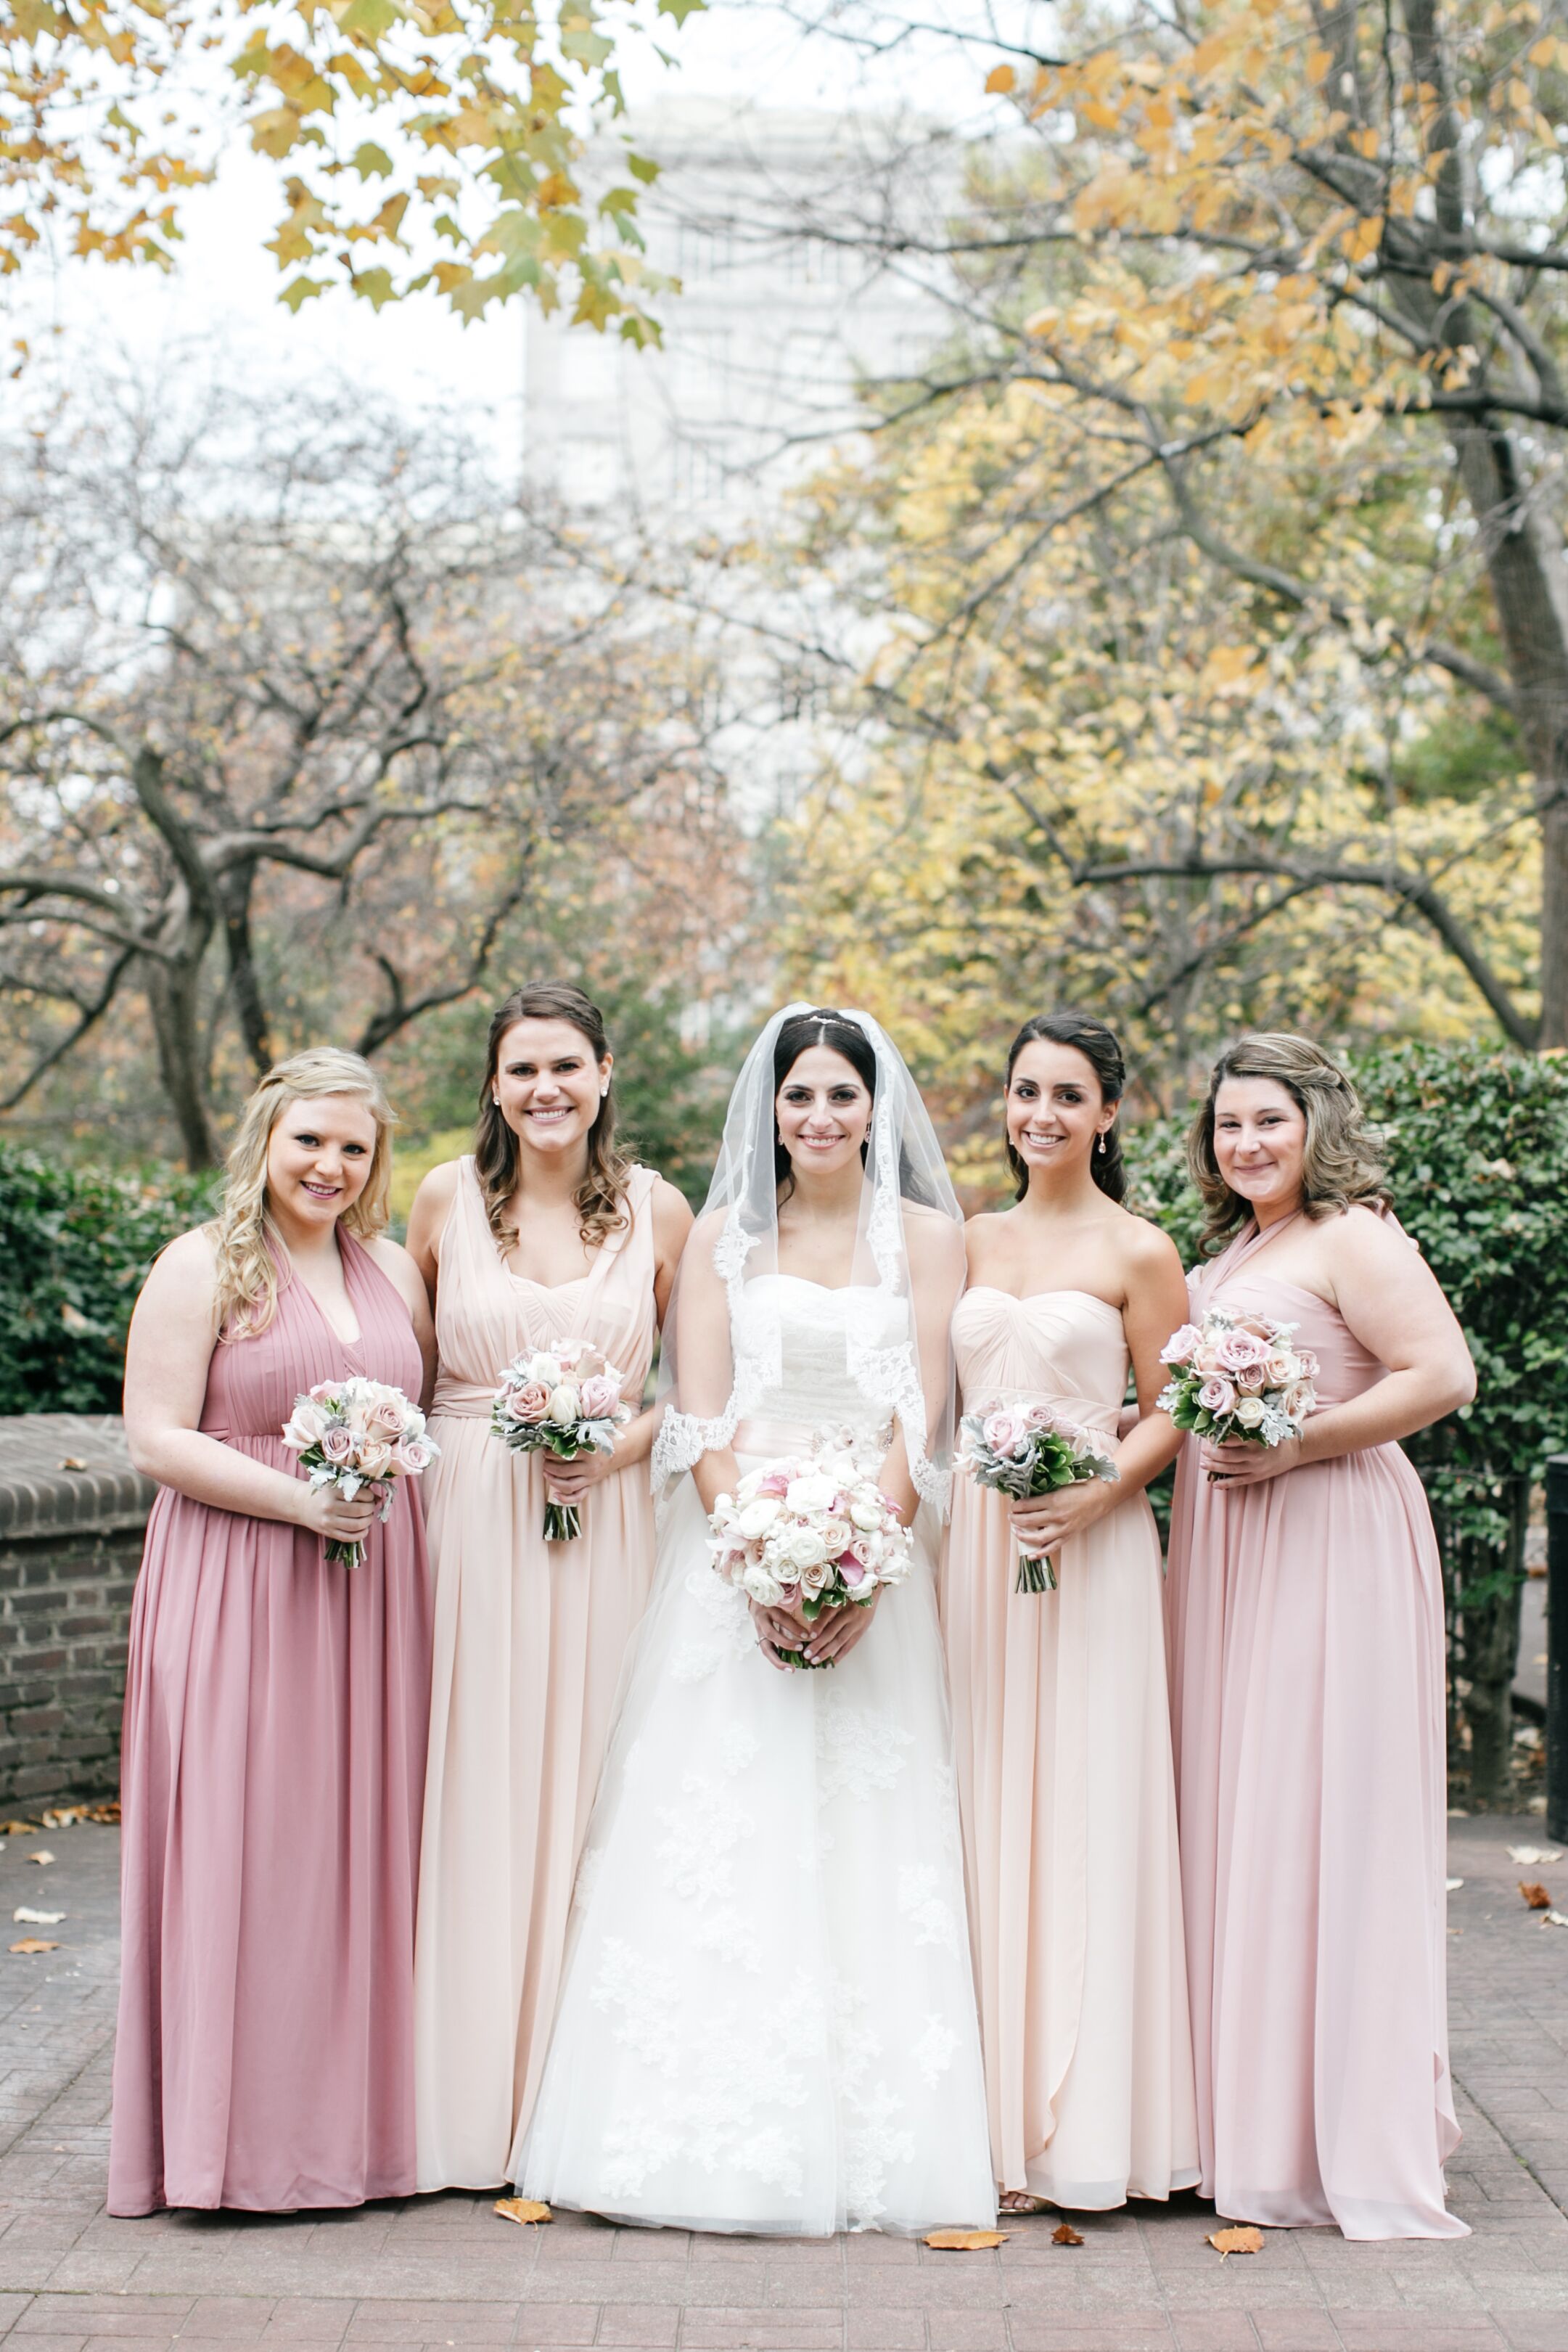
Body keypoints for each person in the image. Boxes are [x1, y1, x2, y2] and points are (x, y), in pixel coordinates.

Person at [517, 1005, 995, 2234]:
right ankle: (685, 2133)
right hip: (732, 1562)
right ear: (769, 1111)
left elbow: (923, 1420)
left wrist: (860, 1564)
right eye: (799, 1098)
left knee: (871, 1838)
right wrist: (760, 1561)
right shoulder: (727, 1234)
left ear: (875, 1108)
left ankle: (873, 2137)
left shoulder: (934, 1241)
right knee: (719, 1836)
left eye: (842, 1096)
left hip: (878, 1556)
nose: (820, 1118)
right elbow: (697, 1421)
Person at [110, 1048, 435, 2215]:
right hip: (238, 1581)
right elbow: (153, 1436)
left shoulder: (394, 1267)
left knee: (359, 1856)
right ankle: (226, 2151)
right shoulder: (201, 1265)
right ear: (265, 1140)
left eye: (354, 1145)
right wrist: (300, 1499)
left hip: (373, 1597)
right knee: (249, 1847)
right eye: (310, 1140)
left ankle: (358, 2136)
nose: (331, 1165)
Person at [1165, 1032, 1476, 2240]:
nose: (1245, 1143)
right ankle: (1244, 2114)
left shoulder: (1356, 1235)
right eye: (1228, 1124)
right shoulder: (1233, 1250)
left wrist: (1298, 1440)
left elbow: (1441, 1372)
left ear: (1315, 1126)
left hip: (1329, 1536)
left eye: (1267, 1121)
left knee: (1315, 1814)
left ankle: (1326, 2130)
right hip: (1235, 1547)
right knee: (1247, 1812)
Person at [406, 980, 691, 2191]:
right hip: (464, 1519)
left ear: (606, 1070)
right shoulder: (441, 1199)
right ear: (492, 1083)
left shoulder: (662, 1213)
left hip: (608, 1519)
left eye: (566, 1065)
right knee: (469, 1781)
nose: (545, 1090)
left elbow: (694, 1390)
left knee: (592, 1785)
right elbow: (398, 1369)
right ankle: (455, 2098)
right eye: (522, 1069)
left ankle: (577, 2104)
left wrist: (608, 1446)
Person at [943, 1010, 1199, 2214]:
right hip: (976, 1553)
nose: (1040, 1112)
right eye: (1024, 1090)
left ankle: (1086, 2126)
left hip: (1087, 1551)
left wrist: (1099, 1495)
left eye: (1067, 1094)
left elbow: (1176, 1403)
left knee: (1083, 1805)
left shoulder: (1140, 1249)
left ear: (1108, 1113)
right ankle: (981, 2114)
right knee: (980, 1799)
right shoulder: (969, 1236)